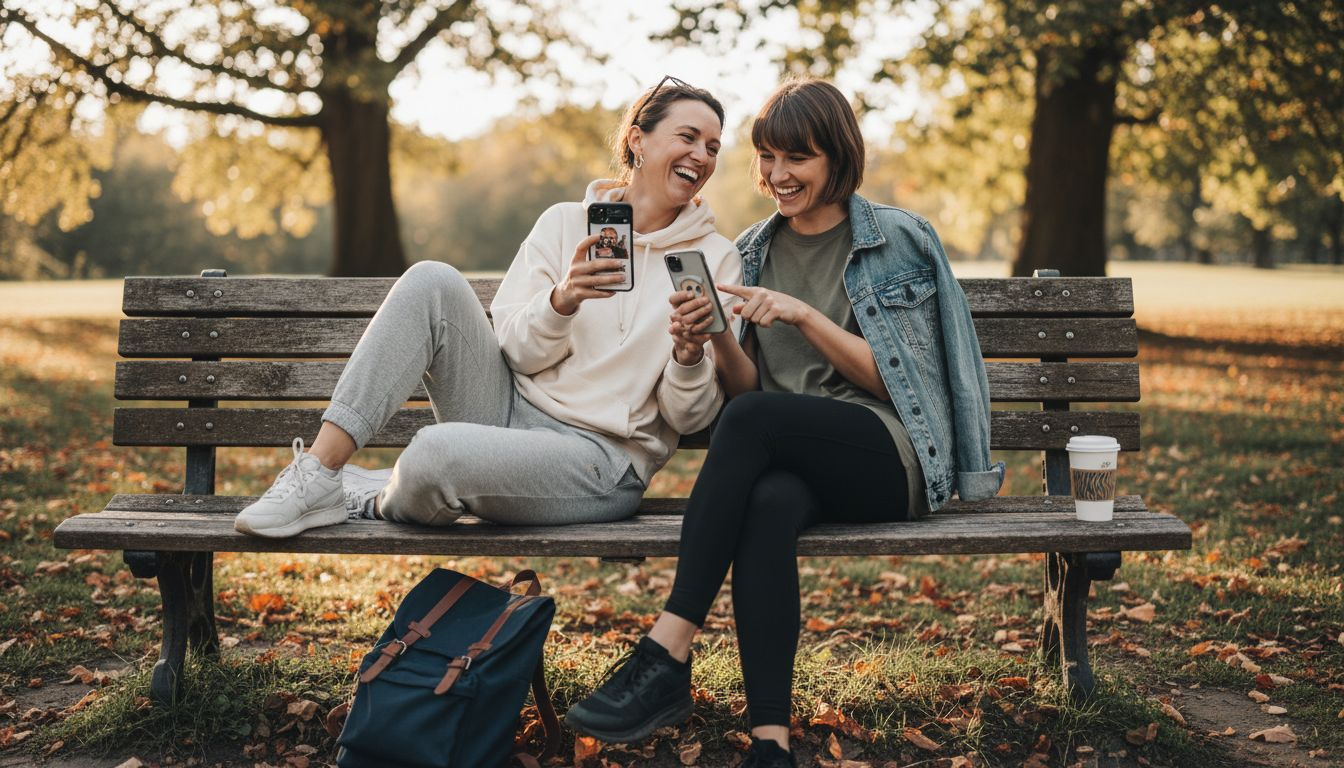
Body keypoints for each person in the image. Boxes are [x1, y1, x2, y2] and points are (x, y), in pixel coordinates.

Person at [564, 79, 1005, 768]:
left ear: (835, 156)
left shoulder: (898, 239)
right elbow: (743, 398)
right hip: (797, 464)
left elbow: (904, 384)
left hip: (891, 457)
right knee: (767, 505)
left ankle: (667, 649)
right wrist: (715, 339)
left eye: (794, 158)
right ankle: (770, 741)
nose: (776, 176)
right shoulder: (750, 251)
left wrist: (803, 315)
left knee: (761, 421)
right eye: (765, 157)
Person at [233, 76, 741, 538]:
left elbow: (689, 417)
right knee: (432, 279)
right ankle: (319, 473)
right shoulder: (564, 224)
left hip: (600, 459)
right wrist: (561, 302)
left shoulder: (715, 258)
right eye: (688, 136)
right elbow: (515, 354)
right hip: (505, 409)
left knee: (434, 454)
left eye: (713, 147)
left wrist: (689, 356)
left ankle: (375, 494)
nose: (702, 155)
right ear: (638, 140)